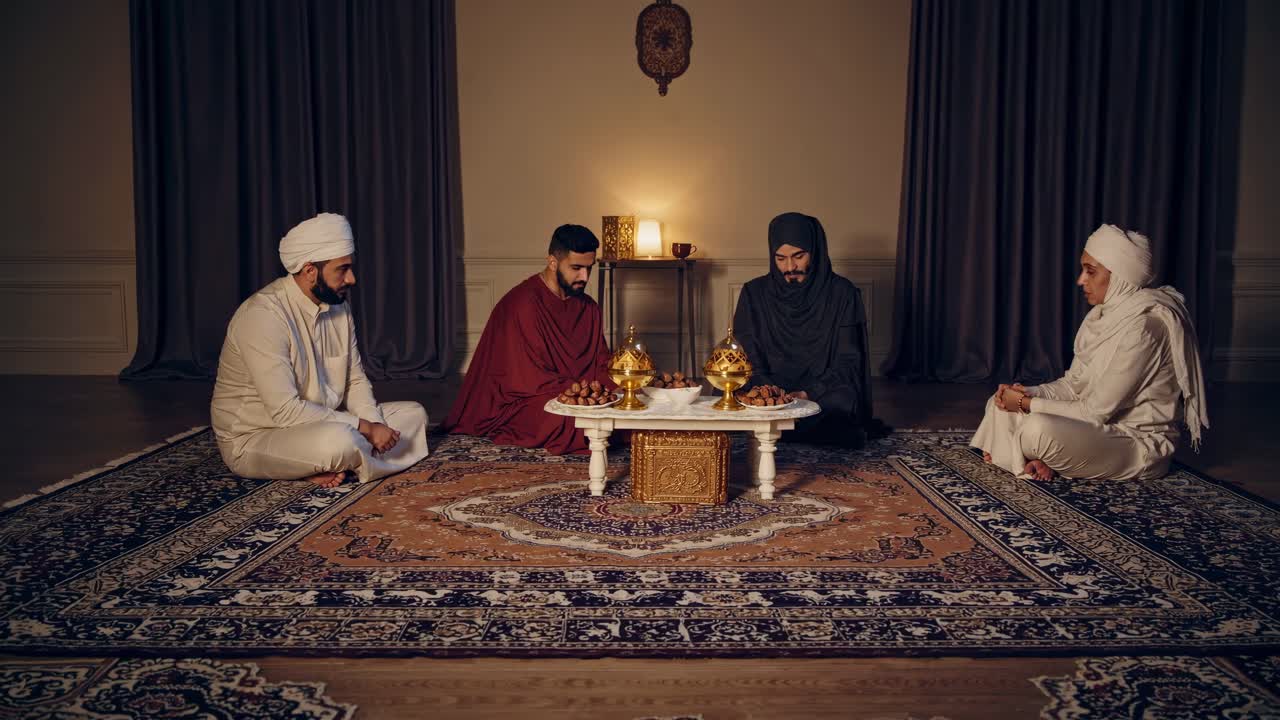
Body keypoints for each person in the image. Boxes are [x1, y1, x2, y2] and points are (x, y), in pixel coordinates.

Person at [971, 223, 1208, 481]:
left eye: (1090, 272)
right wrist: (1027, 393)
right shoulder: (1100, 316)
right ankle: (1040, 459)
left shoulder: (1146, 327)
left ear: (1118, 276)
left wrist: (1025, 404)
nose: (1081, 280)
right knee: (998, 406)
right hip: (1096, 430)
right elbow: (1073, 386)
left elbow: (1097, 411)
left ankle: (1020, 455)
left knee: (1036, 429)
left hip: (1135, 443)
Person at [211, 213, 429, 487]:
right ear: (310, 270)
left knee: (413, 415)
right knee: (340, 441)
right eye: (342, 269)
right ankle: (342, 459)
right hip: (257, 436)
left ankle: (336, 463)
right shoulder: (262, 316)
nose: (352, 279)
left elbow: (354, 379)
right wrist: (364, 429)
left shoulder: (338, 306)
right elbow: (286, 411)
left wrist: (375, 425)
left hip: (318, 424)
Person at [442, 224, 612, 454]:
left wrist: (614, 385)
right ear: (553, 262)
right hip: (525, 399)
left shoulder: (588, 307)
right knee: (571, 422)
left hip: (578, 393)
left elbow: (601, 363)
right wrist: (583, 396)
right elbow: (528, 380)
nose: (584, 277)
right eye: (576, 268)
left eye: (589, 268)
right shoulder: (521, 304)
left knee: (633, 404)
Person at [733, 211, 884, 447]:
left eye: (798, 256)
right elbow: (747, 352)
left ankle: (775, 427)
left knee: (842, 402)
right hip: (767, 385)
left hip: (820, 389)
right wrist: (770, 392)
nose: (790, 267)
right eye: (780, 258)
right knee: (726, 392)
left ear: (815, 252)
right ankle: (794, 426)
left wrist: (808, 393)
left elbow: (849, 360)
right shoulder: (754, 292)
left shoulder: (843, 293)